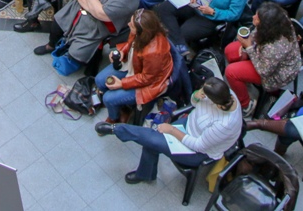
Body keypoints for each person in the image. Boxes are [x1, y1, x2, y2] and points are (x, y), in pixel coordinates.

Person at [104, 77, 242, 185]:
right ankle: (144, 171)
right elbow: (194, 103)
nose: (203, 94)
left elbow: (199, 145)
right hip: (188, 125)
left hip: (198, 151)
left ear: (216, 104)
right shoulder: (226, 93)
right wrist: (196, 95)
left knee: (152, 140)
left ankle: (119, 130)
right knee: (151, 140)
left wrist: (171, 130)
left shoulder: (224, 125)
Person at [30, 0, 140, 66]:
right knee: (58, 22)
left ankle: (92, 57)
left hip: (98, 25)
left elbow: (102, 14)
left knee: (77, 54)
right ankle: (51, 45)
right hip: (77, 7)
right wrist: (93, 8)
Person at [94, 9, 173, 126]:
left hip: (148, 83)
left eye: (131, 25)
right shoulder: (140, 32)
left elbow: (147, 78)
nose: (128, 25)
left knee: (107, 98)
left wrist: (122, 83)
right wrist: (122, 52)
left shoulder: (154, 52)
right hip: (135, 66)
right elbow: (131, 44)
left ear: (142, 32)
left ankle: (115, 116)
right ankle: (119, 104)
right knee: (100, 80)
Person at [223, 2, 302, 113]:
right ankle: (242, 80)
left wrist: (249, 48)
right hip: (264, 54)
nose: (253, 17)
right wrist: (247, 47)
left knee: (231, 72)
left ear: (265, 24)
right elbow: (258, 33)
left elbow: (264, 71)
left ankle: (246, 106)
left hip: (275, 74)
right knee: (230, 50)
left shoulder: (275, 47)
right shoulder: (277, 21)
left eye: (257, 18)